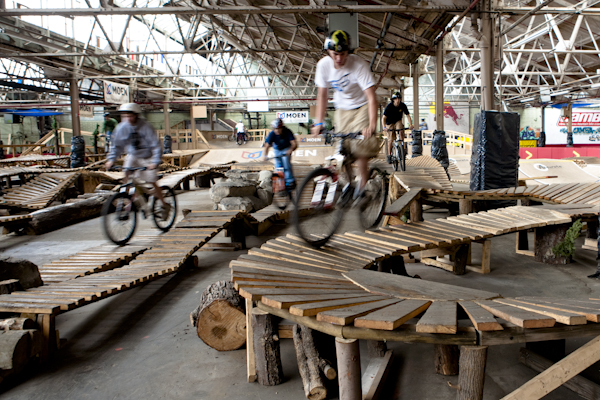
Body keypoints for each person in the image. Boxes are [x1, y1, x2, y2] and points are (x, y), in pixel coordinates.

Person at [311, 30, 379, 200]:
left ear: (348, 51)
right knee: (343, 149)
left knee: (359, 147)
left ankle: (362, 185)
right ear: (329, 51)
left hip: (362, 106)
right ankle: (349, 184)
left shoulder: (359, 65)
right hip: (342, 109)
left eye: (342, 54)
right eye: (335, 54)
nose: (339, 59)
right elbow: (322, 95)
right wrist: (318, 123)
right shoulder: (323, 66)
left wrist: (371, 126)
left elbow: (371, 97)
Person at [105, 103, 169, 218]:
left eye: (130, 116)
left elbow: (155, 145)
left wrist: (155, 162)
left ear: (136, 115)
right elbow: (116, 146)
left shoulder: (146, 127)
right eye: (125, 116)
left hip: (148, 155)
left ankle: (164, 205)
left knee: (152, 181)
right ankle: (135, 200)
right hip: (133, 155)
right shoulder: (122, 128)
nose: (128, 118)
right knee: (126, 176)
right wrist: (111, 160)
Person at [263, 118, 297, 189]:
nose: (277, 130)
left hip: (286, 148)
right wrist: (265, 156)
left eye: (279, 129)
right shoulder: (272, 134)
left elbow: (294, 144)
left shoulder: (287, 132)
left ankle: (290, 181)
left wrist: (290, 150)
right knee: (278, 166)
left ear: (282, 128)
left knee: (286, 164)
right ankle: (280, 183)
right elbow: (267, 146)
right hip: (277, 149)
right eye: (275, 129)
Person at [382, 92, 413, 164]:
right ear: (393, 100)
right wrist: (384, 127)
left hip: (397, 121)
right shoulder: (389, 106)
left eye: (399, 98)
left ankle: (402, 148)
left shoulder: (402, 105)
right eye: (395, 99)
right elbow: (383, 118)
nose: (397, 100)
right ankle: (389, 155)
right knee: (390, 140)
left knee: (401, 129)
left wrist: (410, 124)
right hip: (389, 122)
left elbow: (408, 115)